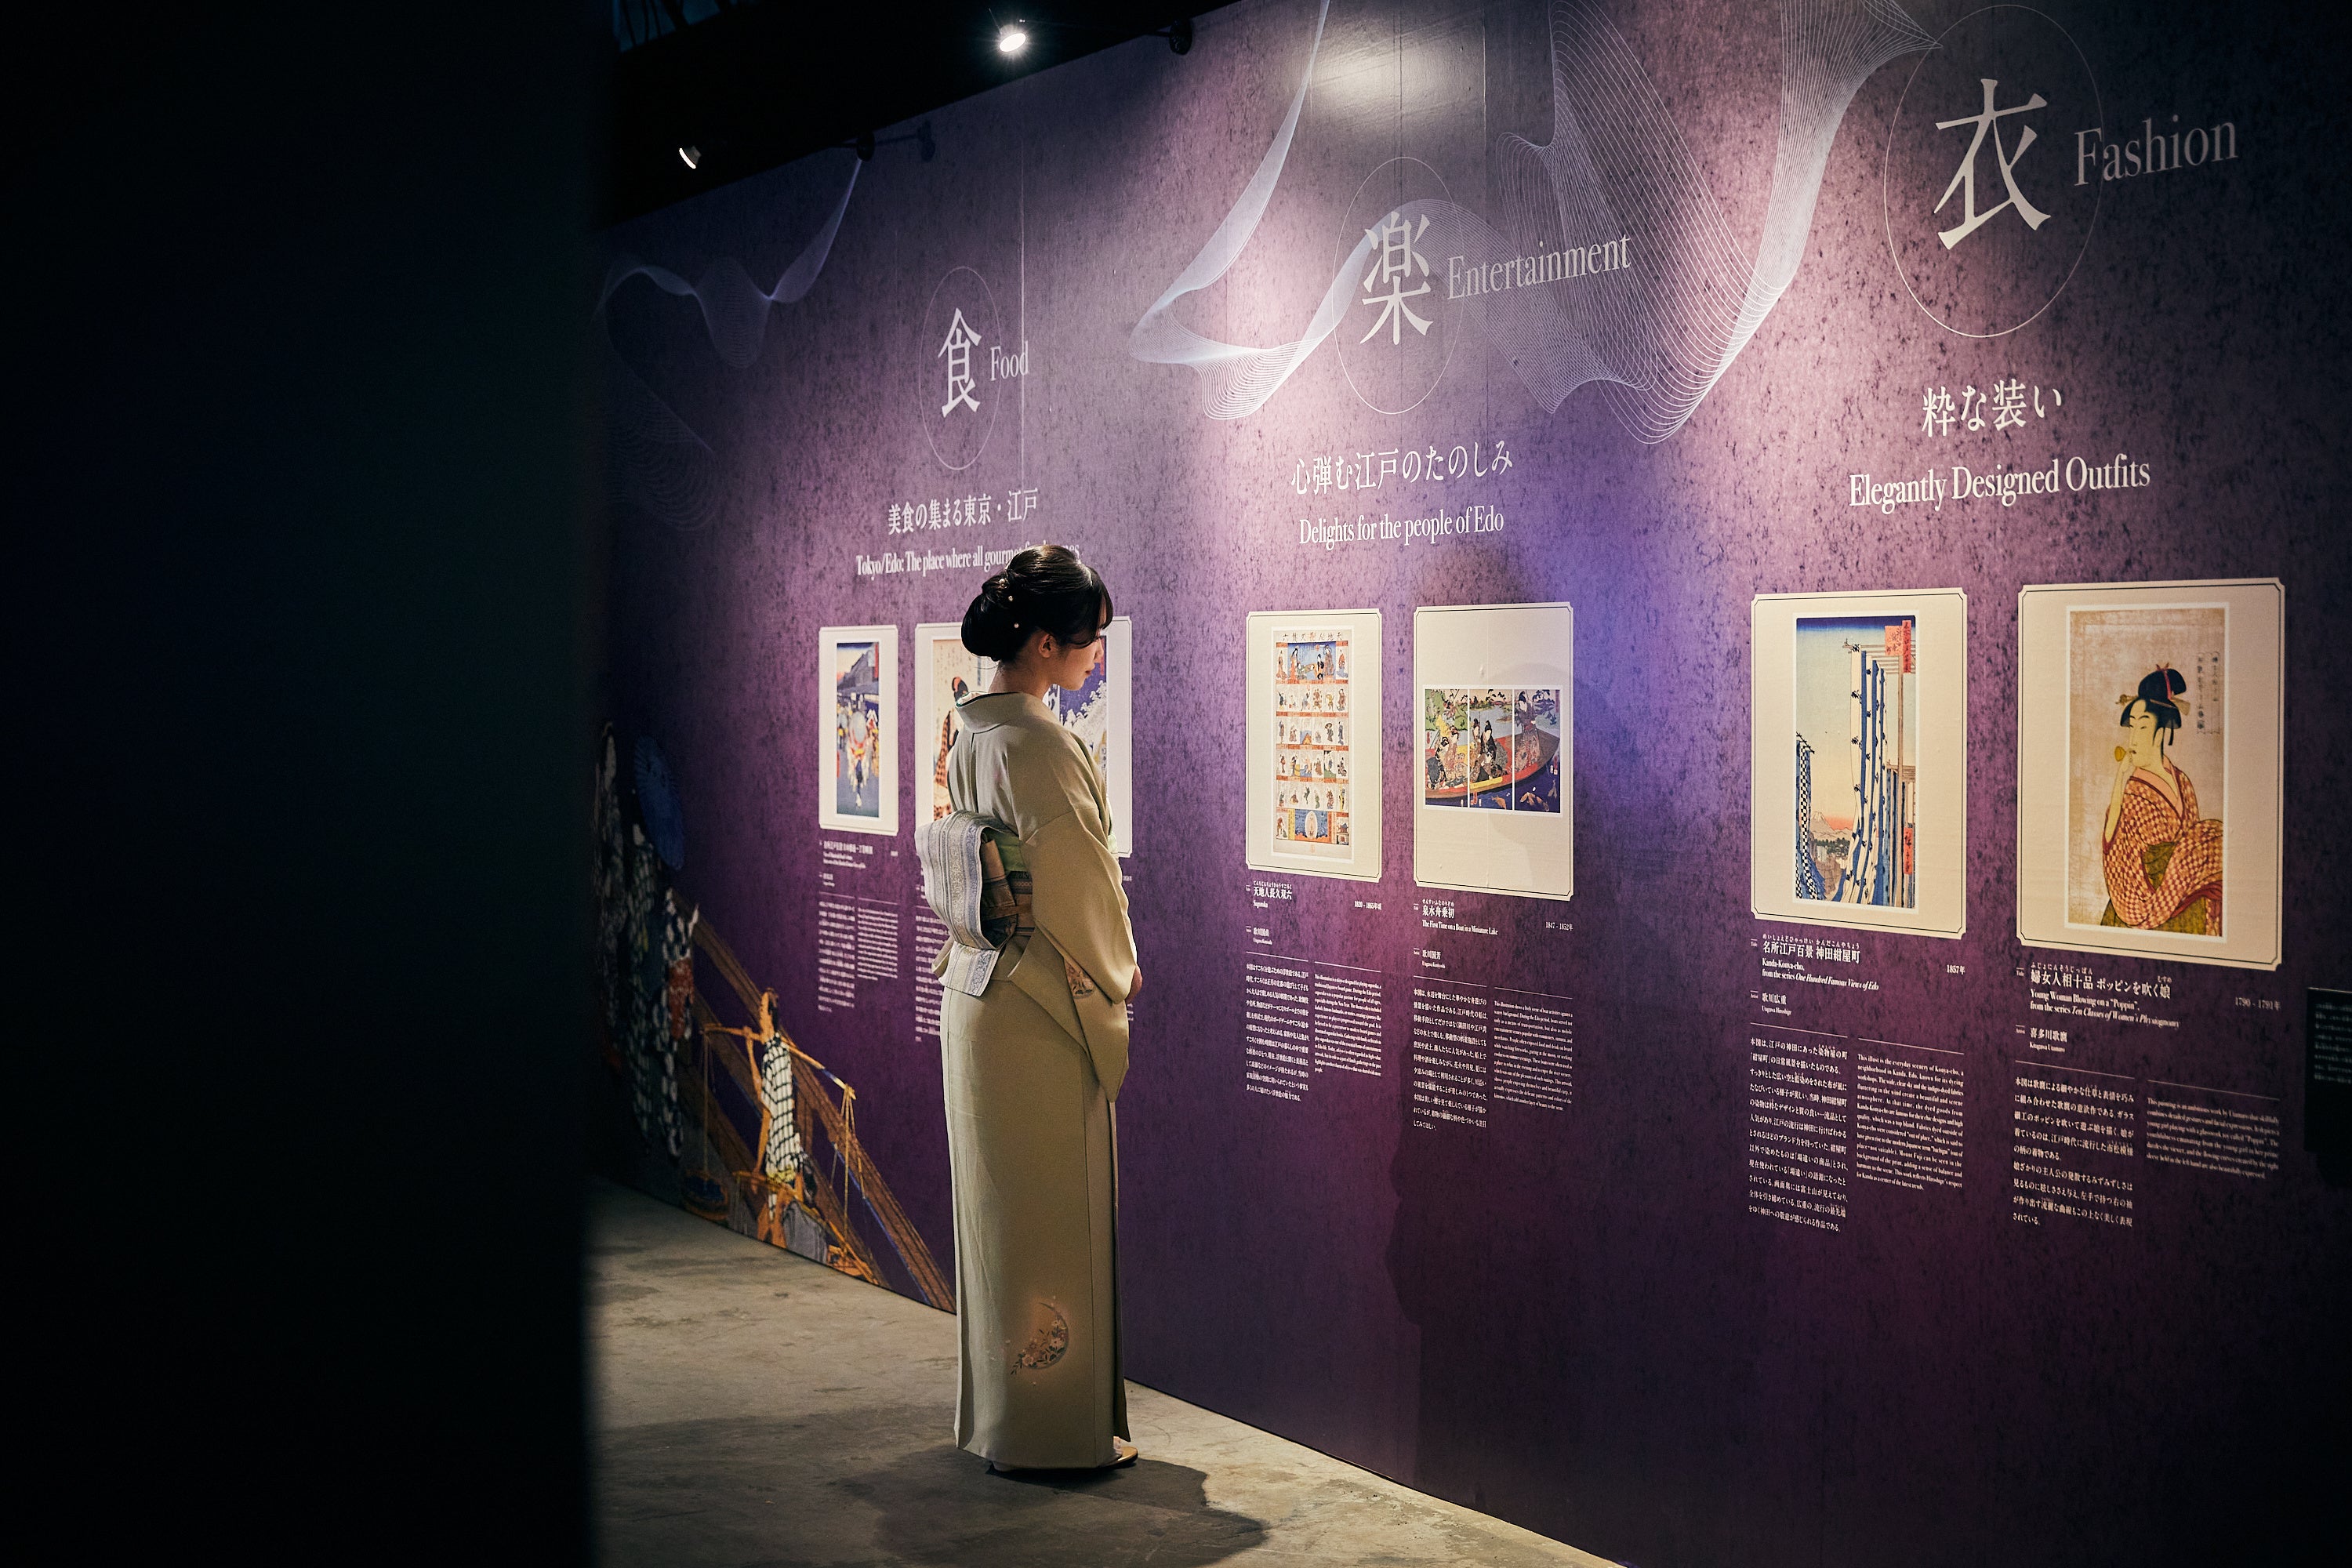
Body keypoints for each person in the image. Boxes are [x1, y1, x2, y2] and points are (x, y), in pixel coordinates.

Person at [935, 545, 1141, 1472]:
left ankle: (1005, 1420)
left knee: (999, 1222)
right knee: (1056, 1217)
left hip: (979, 991)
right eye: (1090, 637)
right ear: (1047, 643)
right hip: (1039, 1010)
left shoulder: (970, 730)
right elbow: (1079, 880)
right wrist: (1119, 969)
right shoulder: (1039, 743)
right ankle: (1054, 1433)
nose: (1097, 651)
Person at [2100, 666, 2223, 933]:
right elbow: (2113, 842)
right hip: (2145, 906)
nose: (2133, 738)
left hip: (2188, 901)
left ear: (2162, 732)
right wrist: (2120, 780)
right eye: (2132, 727)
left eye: (2143, 727)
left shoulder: (2183, 783)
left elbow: (2193, 848)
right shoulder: (2132, 794)